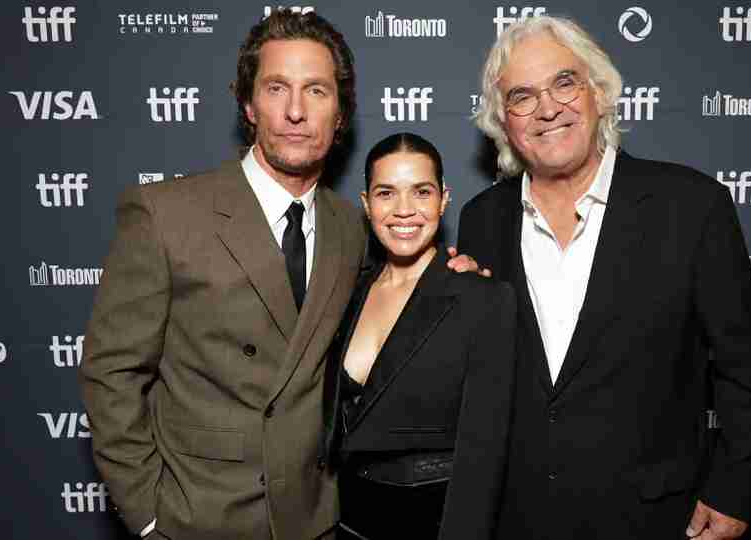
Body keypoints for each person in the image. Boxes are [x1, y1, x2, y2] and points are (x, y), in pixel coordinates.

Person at [80, 10, 477, 540]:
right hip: (197, 519)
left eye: (316, 91)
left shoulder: (350, 226)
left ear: (340, 114)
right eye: (276, 88)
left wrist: (450, 273)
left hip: (316, 520)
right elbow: (113, 374)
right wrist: (149, 515)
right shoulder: (165, 214)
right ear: (248, 105)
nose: (295, 111)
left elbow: (396, 300)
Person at [458, 15, 751, 540]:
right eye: (521, 96)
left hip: (654, 515)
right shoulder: (481, 220)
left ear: (600, 93)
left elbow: (749, 368)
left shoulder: (691, 206)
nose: (547, 109)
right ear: (503, 122)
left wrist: (734, 489)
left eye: (564, 82)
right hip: (516, 515)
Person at [322, 133, 516, 540]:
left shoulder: (482, 297)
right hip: (349, 522)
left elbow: (484, 453)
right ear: (366, 203)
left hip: (434, 524)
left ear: (444, 200)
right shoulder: (348, 292)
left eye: (421, 192)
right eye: (386, 193)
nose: (404, 210)